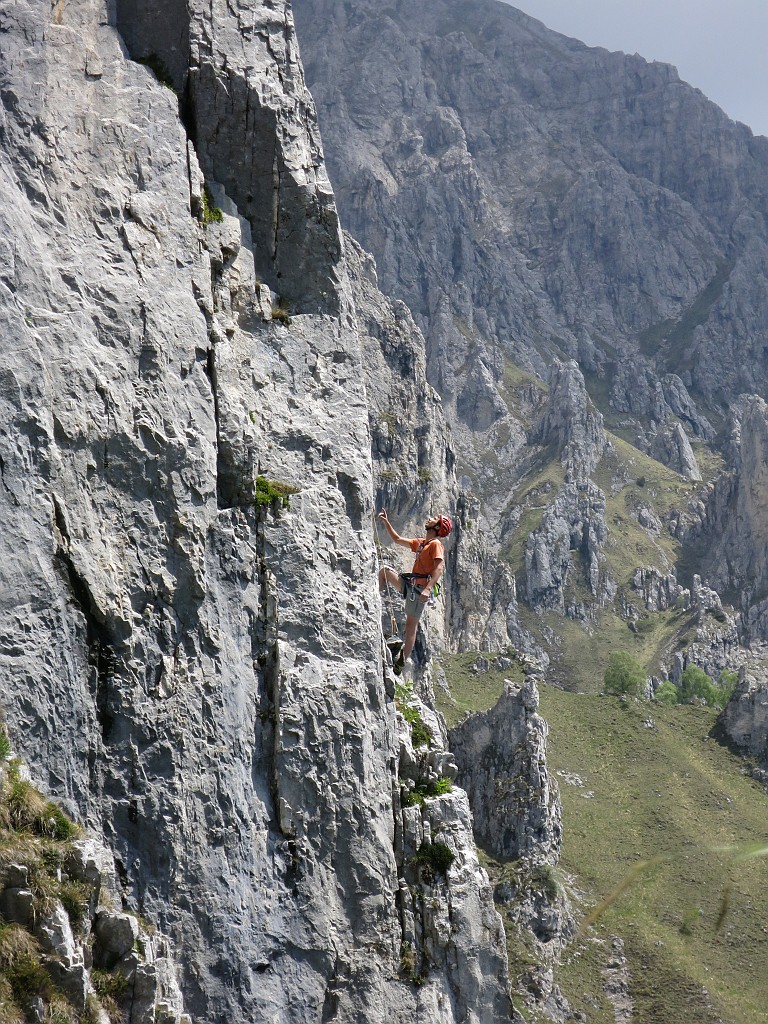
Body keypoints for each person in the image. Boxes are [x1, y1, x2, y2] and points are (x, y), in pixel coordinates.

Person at [377, 510, 452, 673]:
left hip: (418, 590)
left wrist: (427, 589)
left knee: (411, 627)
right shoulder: (422, 543)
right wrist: (386, 522)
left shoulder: (435, 544)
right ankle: (375, 602)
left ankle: (400, 662)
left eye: (433, 519)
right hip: (410, 583)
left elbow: (439, 568)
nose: (429, 519)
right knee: (384, 571)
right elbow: (397, 539)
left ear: (437, 527)